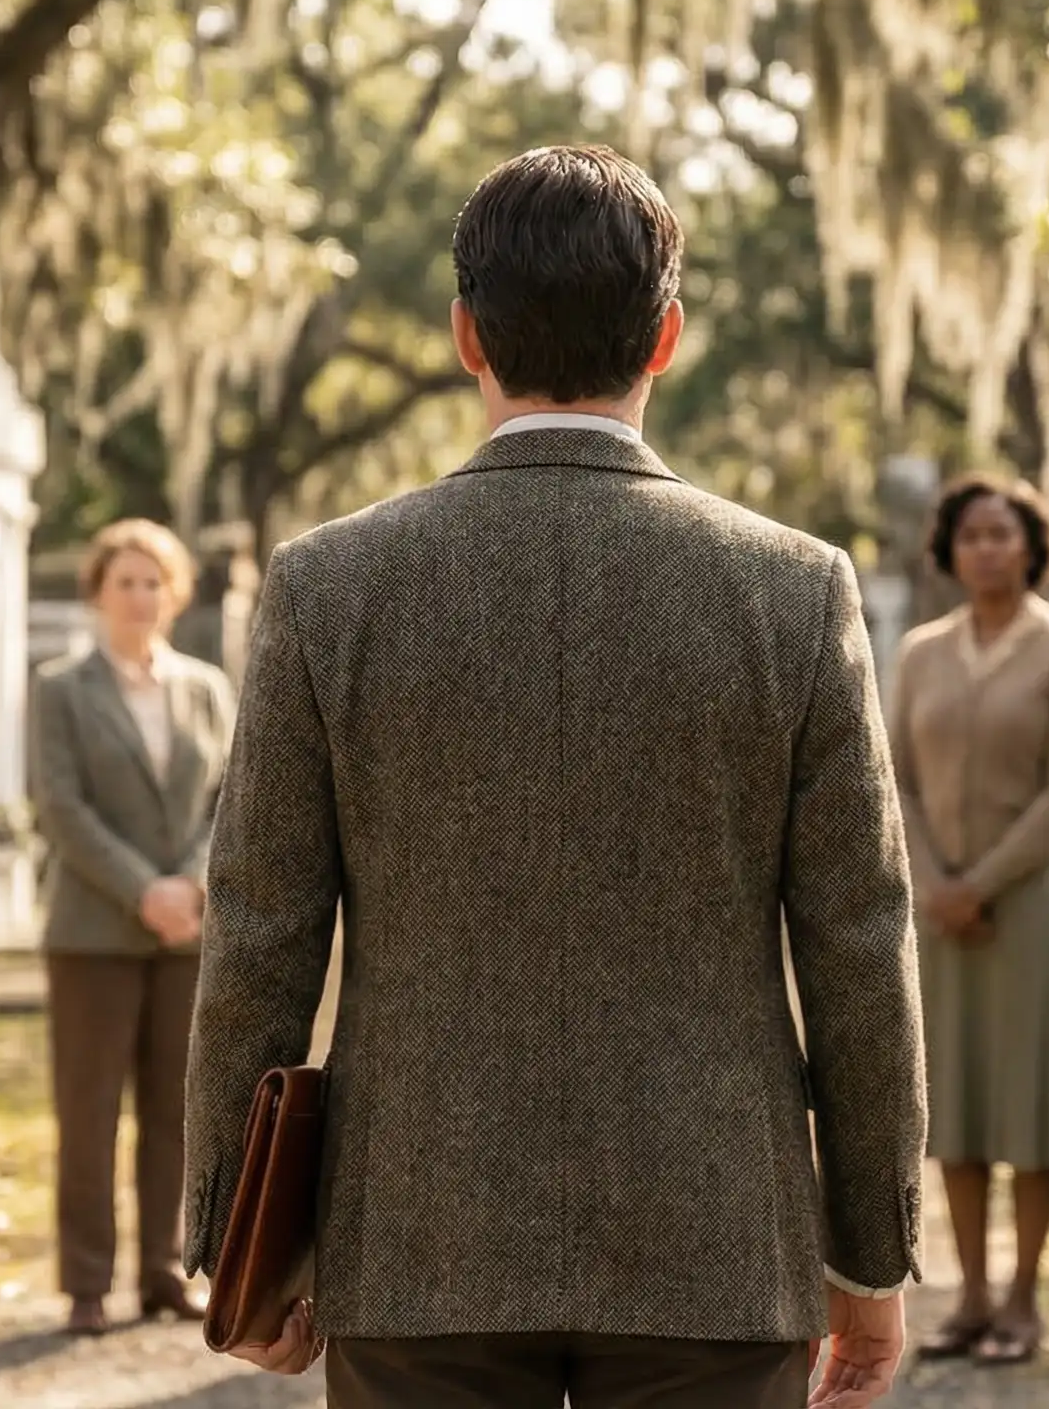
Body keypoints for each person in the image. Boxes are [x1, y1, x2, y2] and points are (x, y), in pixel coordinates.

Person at [180, 145, 928, 1409]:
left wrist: (235, 1237)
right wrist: (871, 1249)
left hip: (418, 1233)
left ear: (466, 334)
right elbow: (857, 942)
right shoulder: (793, 591)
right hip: (715, 1236)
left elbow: (259, 929)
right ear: (668, 338)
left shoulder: (329, 587)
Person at [887, 476, 1049, 1368]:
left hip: (1034, 907)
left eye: (1002, 533)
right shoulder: (920, 654)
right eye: (971, 535)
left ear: (1032, 546)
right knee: (961, 1104)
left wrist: (980, 881)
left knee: (1034, 1100)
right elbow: (893, 777)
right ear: (948, 550)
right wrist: (936, 881)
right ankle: (969, 1296)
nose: (986, 548)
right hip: (939, 914)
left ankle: (1025, 1299)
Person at [30, 518, 238, 1337]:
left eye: (154, 582)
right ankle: (86, 1281)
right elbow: (61, 807)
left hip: (184, 932)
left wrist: (187, 884)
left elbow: (231, 795)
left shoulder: (208, 690)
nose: (141, 596)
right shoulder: (59, 689)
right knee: (88, 1115)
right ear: (98, 592)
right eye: (126, 581)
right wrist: (139, 891)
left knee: (174, 1109)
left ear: (174, 594)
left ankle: (163, 1270)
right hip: (92, 933)